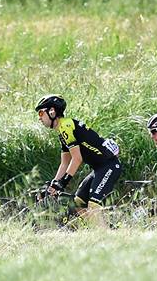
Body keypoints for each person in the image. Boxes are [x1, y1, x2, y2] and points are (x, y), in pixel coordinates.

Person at [36, 95, 122, 227]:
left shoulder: (66, 126)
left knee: (93, 204)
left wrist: (62, 183)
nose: (39, 117)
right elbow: (64, 163)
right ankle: (109, 230)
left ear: (52, 111)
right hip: (98, 169)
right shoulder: (62, 131)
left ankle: (105, 237)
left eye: (41, 112)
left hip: (109, 165)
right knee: (77, 205)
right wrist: (54, 184)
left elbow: (77, 159)